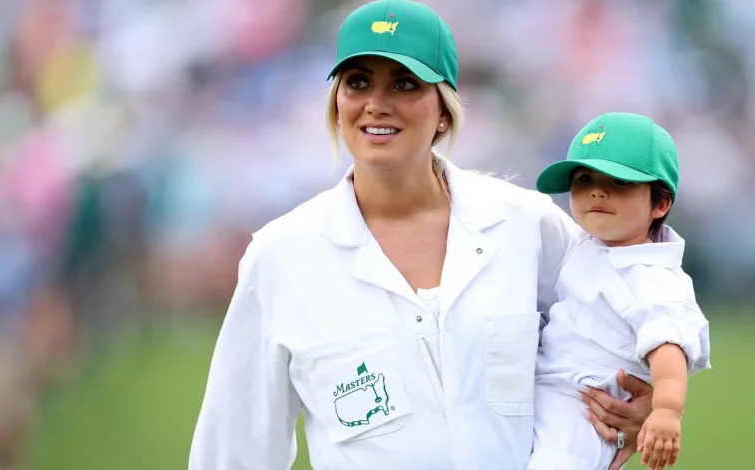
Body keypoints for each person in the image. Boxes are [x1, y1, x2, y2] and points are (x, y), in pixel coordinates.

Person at [189, 2, 652, 469]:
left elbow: (615, 334)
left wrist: (641, 409)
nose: (377, 102)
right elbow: (233, 451)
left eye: (404, 84)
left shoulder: (526, 226)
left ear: (444, 111)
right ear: (336, 103)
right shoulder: (281, 257)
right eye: (358, 82)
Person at [528, 113, 711, 470]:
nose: (598, 190)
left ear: (659, 204)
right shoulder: (586, 244)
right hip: (547, 392)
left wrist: (666, 412)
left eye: (620, 181)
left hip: (586, 409)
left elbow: (668, 349)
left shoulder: (652, 277)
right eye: (584, 178)